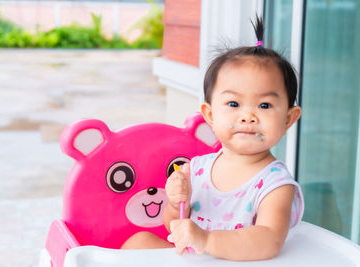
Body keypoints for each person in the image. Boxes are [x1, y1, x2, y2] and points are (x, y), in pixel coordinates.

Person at [121, 16, 304, 261]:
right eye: (233, 103)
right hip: (193, 260)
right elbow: (173, 227)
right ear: (209, 114)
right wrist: (175, 205)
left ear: (289, 119)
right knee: (138, 242)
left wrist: (206, 239)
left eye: (264, 105)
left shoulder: (276, 185)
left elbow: (269, 240)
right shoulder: (196, 169)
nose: (248, 116)